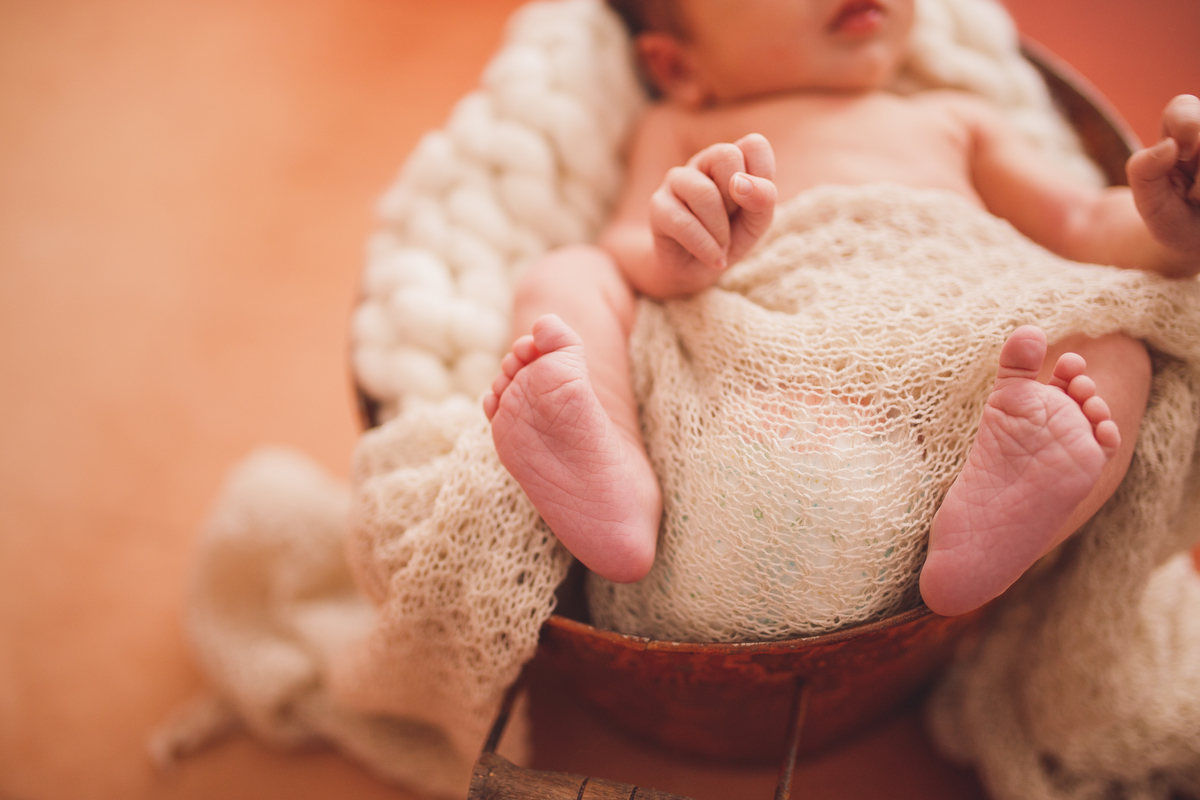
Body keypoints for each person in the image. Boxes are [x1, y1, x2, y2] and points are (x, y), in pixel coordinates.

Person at [480, 0, 1200, 616]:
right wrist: (677, 253)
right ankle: (613, 478)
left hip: (947, 390)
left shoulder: (956, 118)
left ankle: (993, 526)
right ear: (678, 68)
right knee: (566, 276)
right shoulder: (680, 126)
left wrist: (1164, 228)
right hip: (735, 379)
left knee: (1111, 340)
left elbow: (1077, 225)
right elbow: (623, 243)